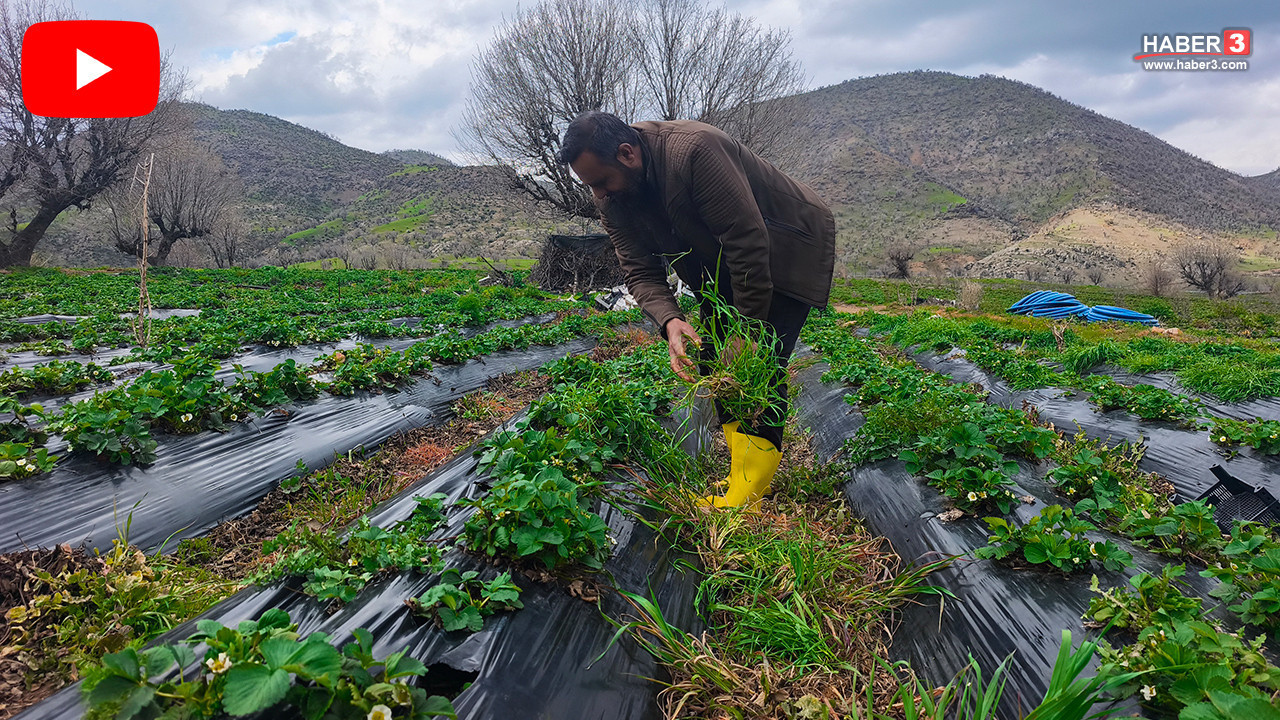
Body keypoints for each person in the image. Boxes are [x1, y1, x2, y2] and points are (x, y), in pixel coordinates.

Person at [557, 111, 836, 509]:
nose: (598, 194)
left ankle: (749, 493)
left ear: (626, 154)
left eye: (601, 182)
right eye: (591, 186)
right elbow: (639, 269)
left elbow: (747, 242)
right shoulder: (614, 197)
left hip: (786, 248)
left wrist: (747, 331)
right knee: (715, 361)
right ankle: (745, 472)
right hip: (719, 262)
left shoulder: (694, 151)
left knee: (755, 366)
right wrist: (671, 321)